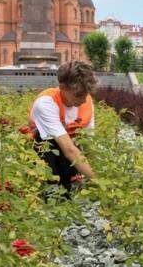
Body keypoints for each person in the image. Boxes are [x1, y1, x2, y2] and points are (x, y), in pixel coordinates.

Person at [28, 60, 97, 192]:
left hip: (72, 153)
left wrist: (97, 170)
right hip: (45, 155)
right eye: (78, 95)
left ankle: (70, 191)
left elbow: (88, 144)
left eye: (86, 94)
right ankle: (51, 192)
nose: (83, 100)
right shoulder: (46, 103)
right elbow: (69, 150)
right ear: (62, 87)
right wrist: (98, 181)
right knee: (48, 142)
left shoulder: (86, 102)